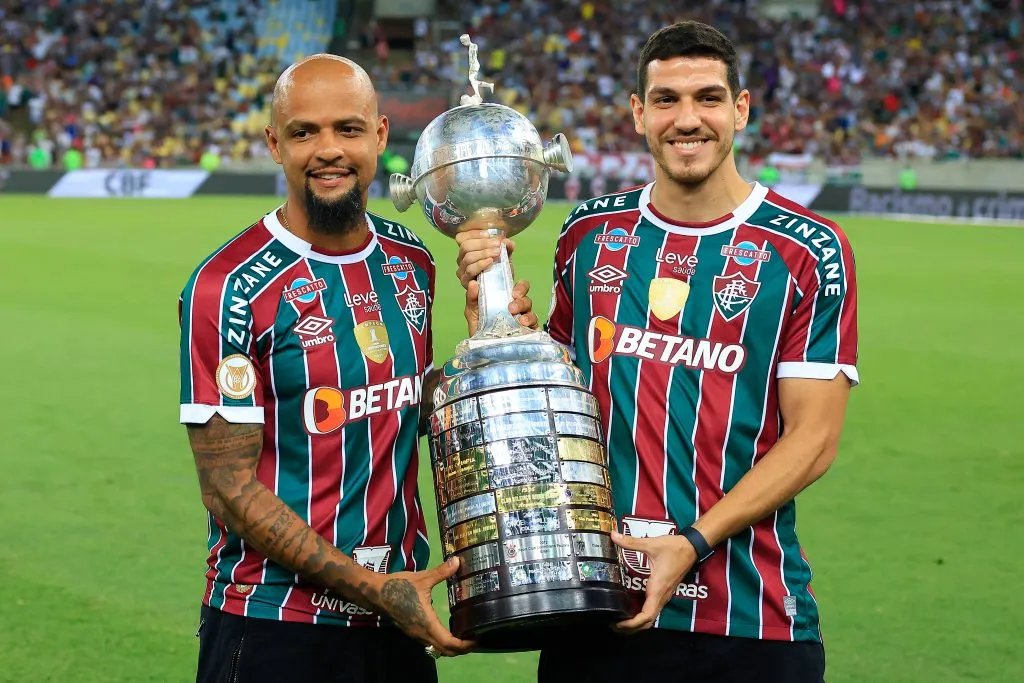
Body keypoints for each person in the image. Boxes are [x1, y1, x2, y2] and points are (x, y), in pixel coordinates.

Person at [456, 21, 857, 683]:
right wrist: (499, 329)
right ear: (639, 113)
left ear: (740, 109)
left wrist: (691, 543)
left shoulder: (807, 249)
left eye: (708, 98)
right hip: (596, 609)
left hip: (750, 622)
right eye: (666, 99)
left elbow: (813, 439)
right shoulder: (590, 232)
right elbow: (560, 396)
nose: (687, 118)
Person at [178, 53, 536, 683]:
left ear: (379, 136)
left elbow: (405, 404)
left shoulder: (409, 258)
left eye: (347, 129)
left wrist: (490, 342)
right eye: (304, 132)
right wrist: (375, 589)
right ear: (274, 144)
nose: (328, 150)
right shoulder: (227, 287)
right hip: (273, 626)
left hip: (395, 623)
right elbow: (227, 488)